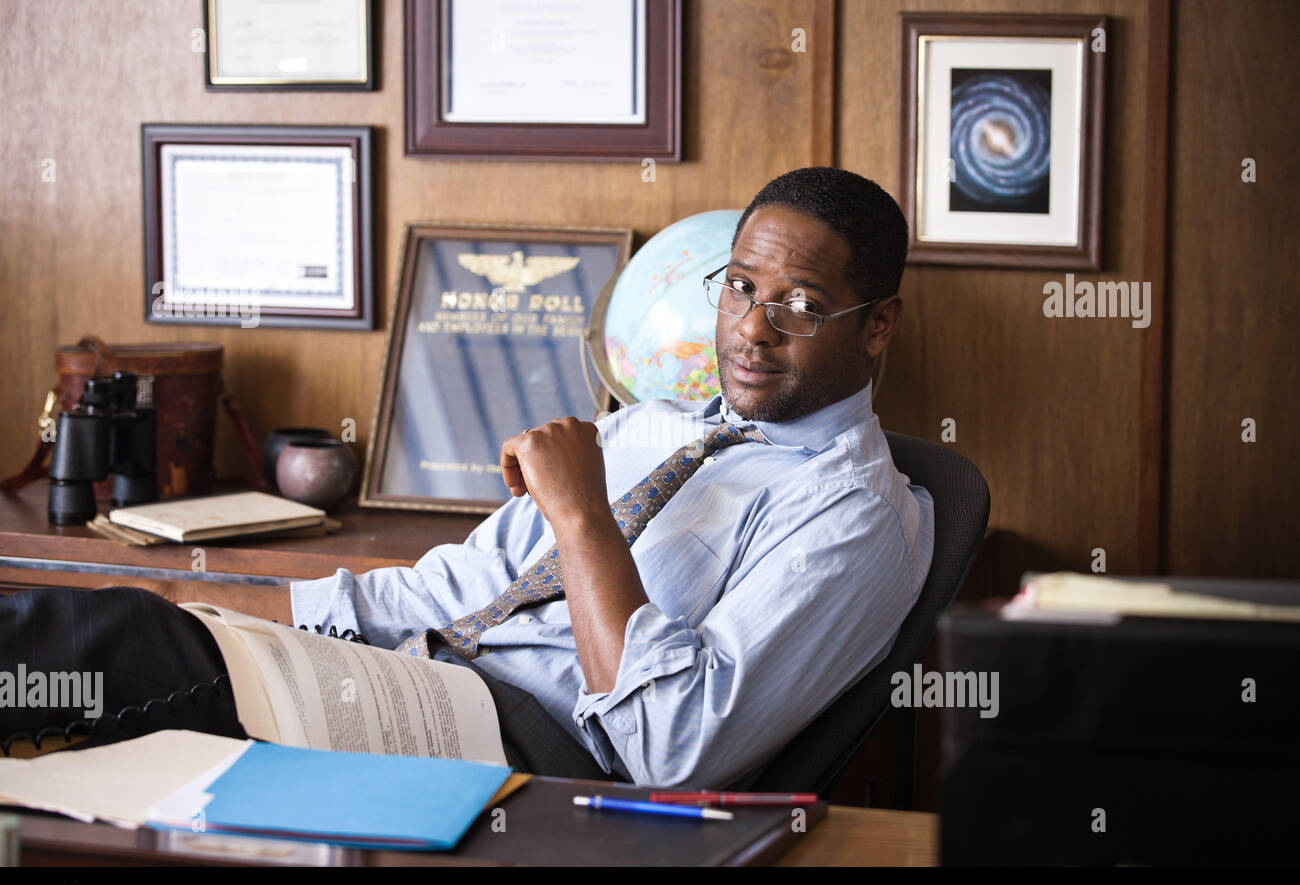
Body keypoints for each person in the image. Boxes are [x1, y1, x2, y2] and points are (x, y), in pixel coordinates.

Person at [0, 167, 934, 791]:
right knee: (138, 638)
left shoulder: (853, 516)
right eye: (739, 287)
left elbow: (672, 753)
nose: (753, 329)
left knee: (120, 657)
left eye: (800, 306)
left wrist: (580, 516)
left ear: (877, 325)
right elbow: (454, 586)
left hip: (531, 756)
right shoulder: (653, 427)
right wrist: (237, 614)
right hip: (411, 675)